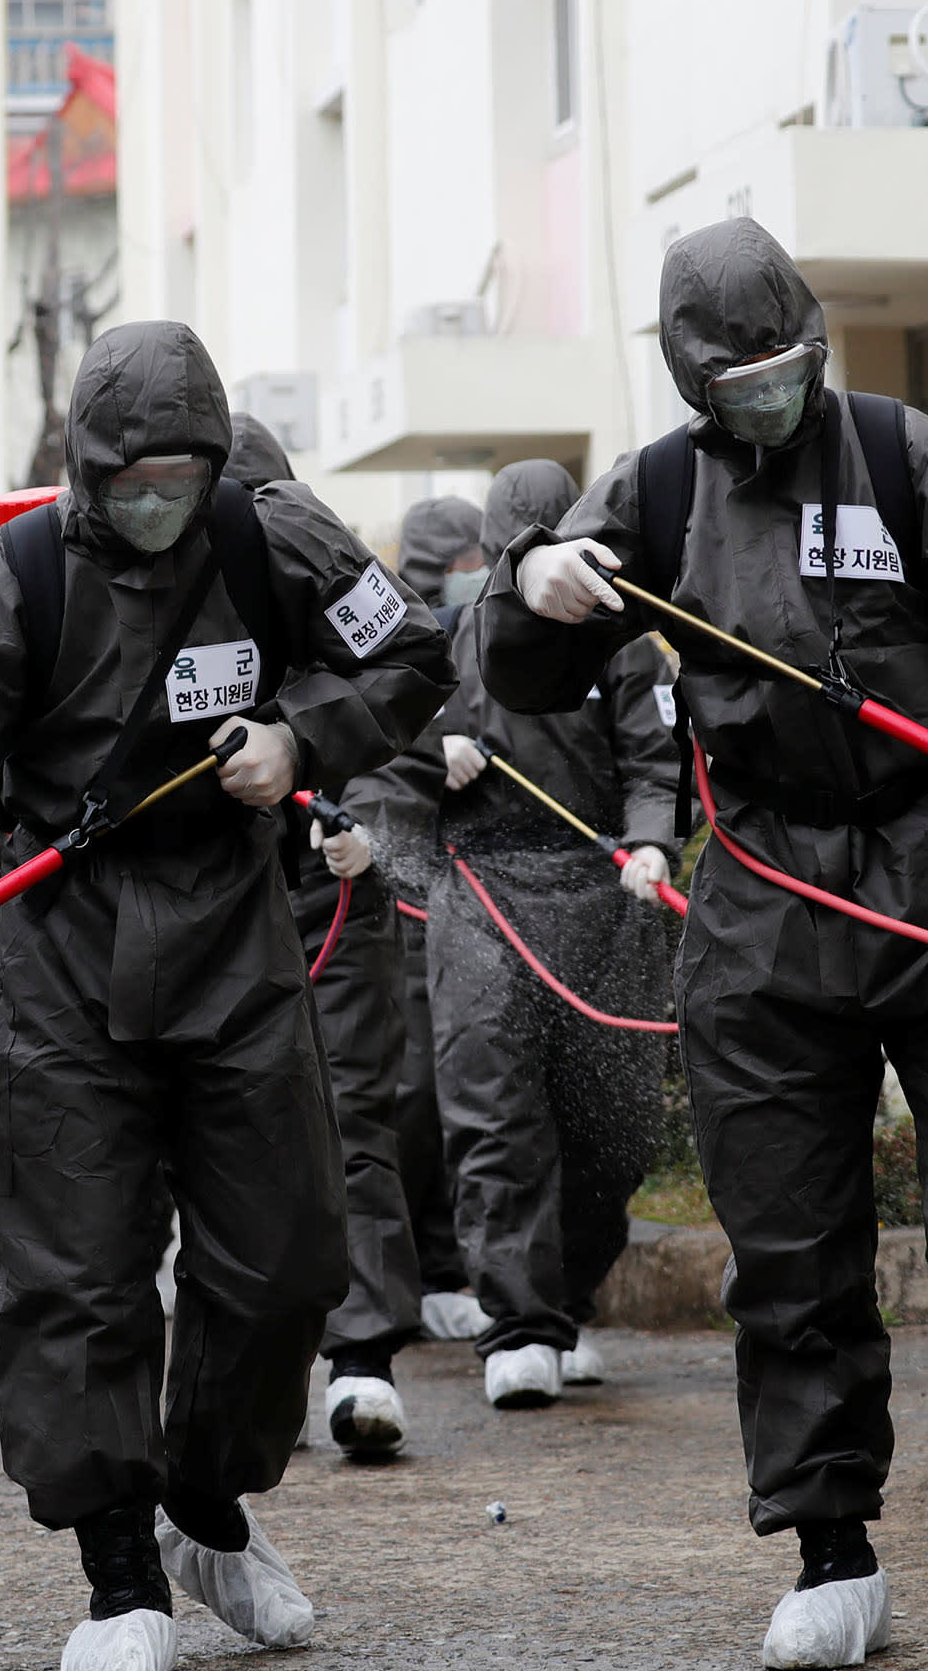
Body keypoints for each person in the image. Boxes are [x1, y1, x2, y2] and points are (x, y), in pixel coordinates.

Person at [481, 217, 928, 1671]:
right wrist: (527, 580)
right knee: (789, 1246)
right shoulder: (657, 490)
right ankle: (830, 1549)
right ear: (692, 381)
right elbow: (521, 659)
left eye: (789, 365)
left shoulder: (911, 458)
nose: (770, 392)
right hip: (771, 898)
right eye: (741, 376)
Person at [0, 321, 452, 1671]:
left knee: (281, 1257)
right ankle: (118, 1567)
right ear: (87, 465)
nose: (157, 497)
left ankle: (205, 1508)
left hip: (235, 940)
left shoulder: (271, 537)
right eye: (131, 476)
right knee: (76, 1275)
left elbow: (410, 658)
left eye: (181, 472)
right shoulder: (11, 577)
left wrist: (300, 737)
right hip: (61, 968)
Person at [429, 460, 679, 1410]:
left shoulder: (623, 645)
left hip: (605, 896)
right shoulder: (448, 642)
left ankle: (567, 1299)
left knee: (610, 1128)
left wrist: (652, 842)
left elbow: (656, 762)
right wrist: (430, 749)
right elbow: (374, 741)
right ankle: (518, 1324)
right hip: (481, 898)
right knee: (496, 1115)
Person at [224, 415, 426, 1458]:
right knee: (235, 1142)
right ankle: (265, 1362)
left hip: (335, 907)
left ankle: (362, 1362)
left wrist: (368, 837)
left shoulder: (338, 598)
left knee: (352, 1122)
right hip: (216, 919)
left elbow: (405, 715)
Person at [371, 494, 491, 1340]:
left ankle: (447, 1265)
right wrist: (428, 743)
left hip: (479, 885)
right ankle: (409, 1269)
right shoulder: (381, 619)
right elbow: (353, 723)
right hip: (398, 886)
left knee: (466, 1086)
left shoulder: (489, 622)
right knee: (408, 1088)